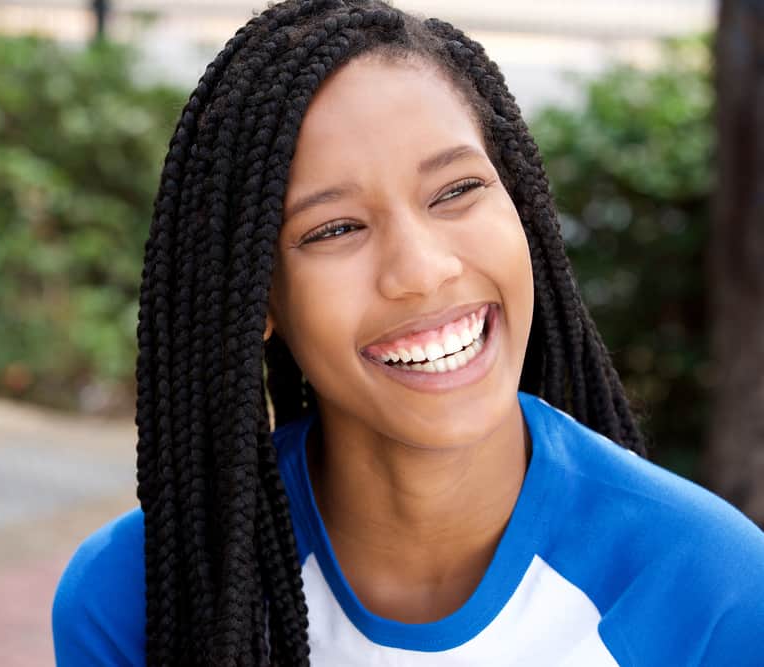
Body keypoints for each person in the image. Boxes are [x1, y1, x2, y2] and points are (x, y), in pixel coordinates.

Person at [52, 1, 764, 665]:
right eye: (334, 228)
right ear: (257, 294)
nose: (421, 272)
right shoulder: (138, 598)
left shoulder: (709, 587)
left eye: (455, 190)